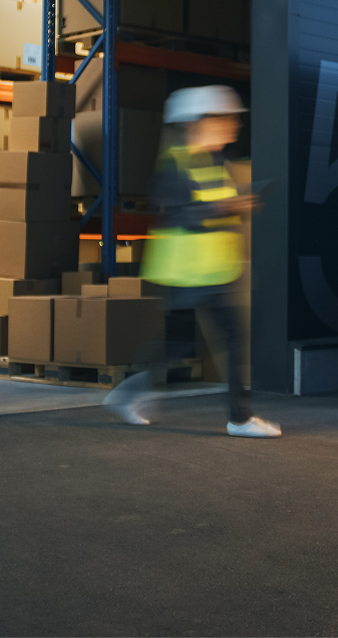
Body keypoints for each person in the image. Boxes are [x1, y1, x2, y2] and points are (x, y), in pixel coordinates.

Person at [104, 86, 280, 438]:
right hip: (188, 271)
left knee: (180, 343)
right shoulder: (175, 165)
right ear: (200, 123)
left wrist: (238, 207)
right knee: (226, 336)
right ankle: (239, 418)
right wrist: (231, 207)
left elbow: (213, 211)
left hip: (213, 270)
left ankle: (130, 393)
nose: (233, 126)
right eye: (225, 119)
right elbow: (184, 214)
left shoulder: (216, 163)